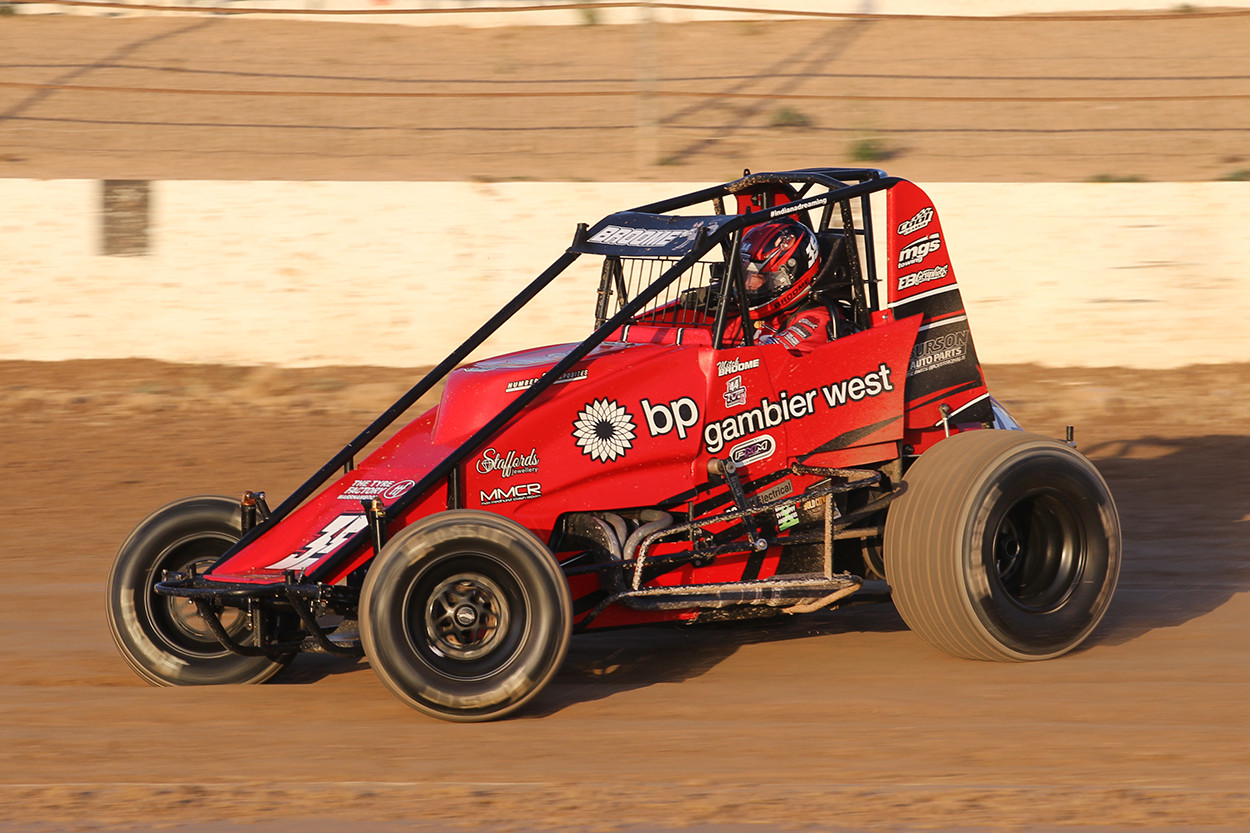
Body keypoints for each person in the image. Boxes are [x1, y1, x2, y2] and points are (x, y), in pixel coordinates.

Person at [737, 217, 848, 355]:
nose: (748, 285)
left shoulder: (815, 321)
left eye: (756, 277)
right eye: (745, 276)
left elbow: (765, 361)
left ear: (785, 278)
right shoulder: (742, 313)